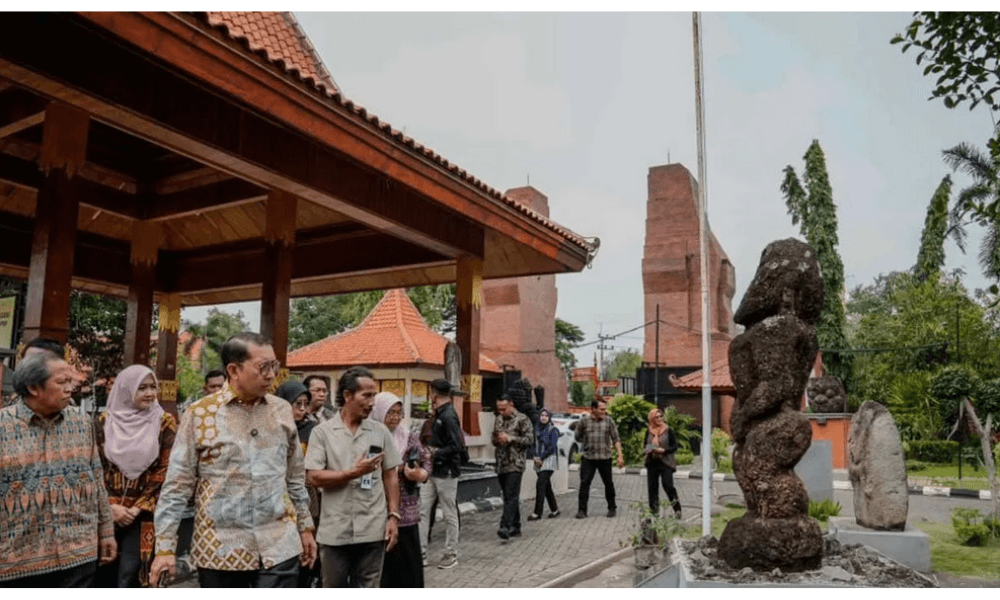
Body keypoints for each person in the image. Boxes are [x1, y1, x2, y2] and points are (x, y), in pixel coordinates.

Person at [150, 332, 316, 588]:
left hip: (279, 545)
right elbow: (177, 486)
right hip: (220, 551)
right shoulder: (199, 415)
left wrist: (305, 526)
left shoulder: (282, 410)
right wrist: (164, 549)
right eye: (263, 367)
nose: (272, 375)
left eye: (274, 366)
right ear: (234, 370)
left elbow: (294, 476)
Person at [0, 351, 117, 587]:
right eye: (62, 382)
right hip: (18, 560)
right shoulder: (3, 426)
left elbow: (96, 479)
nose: (70, 389)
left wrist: (106, 532)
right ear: (34, 388)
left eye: (70, 382)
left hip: (78, 554)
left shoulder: (81, 422)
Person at [305, 367, 401, 588]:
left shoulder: (380, 431)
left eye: (374, 395)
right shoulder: (322, 433)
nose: (372, 402)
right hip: (335, 531)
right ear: (347, 396)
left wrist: (393, 516)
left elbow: (390, 475)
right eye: (366, 395)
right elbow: (314, 477)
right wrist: (353, 473)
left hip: (373, 528)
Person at [95, 365, 178, 588]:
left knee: (131, 576)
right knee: (102, 574)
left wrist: (136, 508)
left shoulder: (164, 422)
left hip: (144, 516)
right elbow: (94, 468)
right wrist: (111, 506)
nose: (150, 393)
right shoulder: (104, 422)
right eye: (142, 388)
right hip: (105, 514)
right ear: (125, 390)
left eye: (153, 387)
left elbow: (166, 468)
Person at [372, 392, 428, 588]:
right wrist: (400, 469)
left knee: (408, 565)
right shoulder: (370, 437)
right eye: (390, 413)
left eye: (398, 413)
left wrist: (422, 474)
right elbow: (369, 472)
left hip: (406, 511)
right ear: (378, 412)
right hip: (378, 509)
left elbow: (426, 460)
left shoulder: (408, 436)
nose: (395, 418)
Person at [275, 380, 322, 588]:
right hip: (276, 498)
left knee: (305, 549)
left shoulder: (313, 431)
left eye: (305, 404)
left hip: (306, 497)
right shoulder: (273, 428)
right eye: (297, 404)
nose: (302, 410)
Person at [419, 379, 466, 570]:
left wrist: (436, 452)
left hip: (446, 472)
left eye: (431, 393)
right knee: (422, 511)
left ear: (435, 395)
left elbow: (458, 446)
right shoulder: (439, 413)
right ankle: (421, 553)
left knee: (449, 513)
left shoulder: (448, 416)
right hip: (431, 471)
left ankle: (451, 553)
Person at [574, 398, 625, 519]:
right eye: (601, 409)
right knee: (584, 484)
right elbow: (577, 436)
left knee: (608, 484)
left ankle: (612, 508)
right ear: (593, 409)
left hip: (605, 457)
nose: (604, 411)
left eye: (605, 409)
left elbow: (616, 439)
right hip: (588, 458)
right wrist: (587, 444)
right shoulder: (584, 421)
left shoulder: (609, 421)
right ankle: (582, 510)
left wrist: (620, 456)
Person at [492, 394, 532, 540]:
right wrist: (498, 439)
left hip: (515, 463)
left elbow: (529, 440)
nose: (501, 412)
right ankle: (516, 525)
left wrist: (511, 438)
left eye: (504, 409)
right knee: (510, 496)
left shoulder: (522, 419)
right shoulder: (499, 419)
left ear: (511, 404)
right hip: (501, 462)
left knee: (510, 495)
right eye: (499, 409)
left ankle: (505, 526)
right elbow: (493, 439)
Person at [644, 407, 681, 518]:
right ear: (652, 419)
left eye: (661, 416)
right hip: (652, 462)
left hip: (666, 462)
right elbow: (645, 445)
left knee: (668, 485)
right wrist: (651, 448)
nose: (660, 418)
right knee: (652, 488)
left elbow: (674, 446)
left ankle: (677, 509)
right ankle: (654, 512)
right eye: (657, 417)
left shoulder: (668, 430)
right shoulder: (649, 430)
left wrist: (664, 450)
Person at [527, 408, 560, 521]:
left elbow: (552, 447)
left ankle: (537, 513)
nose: (543, 417)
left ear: (549, 417)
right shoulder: (536, 429)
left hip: (549, 460)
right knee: (546, 487)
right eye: (542, 415)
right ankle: (554, 510)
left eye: (546, 415)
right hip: (537, 460)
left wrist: (541, 457)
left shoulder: (553, 430)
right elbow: (532, 444)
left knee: (540, 484)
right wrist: (535, 457)